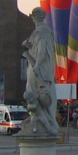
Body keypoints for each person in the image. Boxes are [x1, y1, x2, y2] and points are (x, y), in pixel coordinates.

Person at [22, 7, 60, 136]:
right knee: (42, 93)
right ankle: (41, 118)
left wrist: (37, 65)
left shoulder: (40, 32)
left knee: (37, 93)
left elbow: (42, 49)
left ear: (33, 17)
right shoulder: (46, 31)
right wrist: (25, 44)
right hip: (44, 69)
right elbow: (32, 44)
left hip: (38, 69)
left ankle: (47, 121)